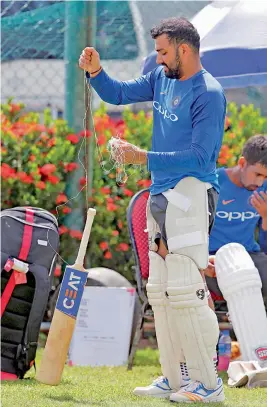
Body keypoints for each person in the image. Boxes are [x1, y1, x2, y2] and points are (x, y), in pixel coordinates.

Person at [79, 17, 226, 403]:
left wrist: (142, 156)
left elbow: (200, 156)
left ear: (184, 49)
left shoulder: (209, 93)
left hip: (192, 193)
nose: (158, 59)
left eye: (163, 52)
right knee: (160, 293)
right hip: (160, 193)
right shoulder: (162, 78)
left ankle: (209, 384)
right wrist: (96, 71)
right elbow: (119, 92)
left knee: (184, 289)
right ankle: (175, 379)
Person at [204, 135, 267, 368]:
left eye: (266, 177)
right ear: (242, 163)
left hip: (250, 256)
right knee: (241, 282)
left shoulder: (264, 190)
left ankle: (254, 348)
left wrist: (266, 217)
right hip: (215, 257)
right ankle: (247, 350)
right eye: (257, 174)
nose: (260, 183)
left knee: (249, 276)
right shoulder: (213, 183)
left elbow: (264, 246)